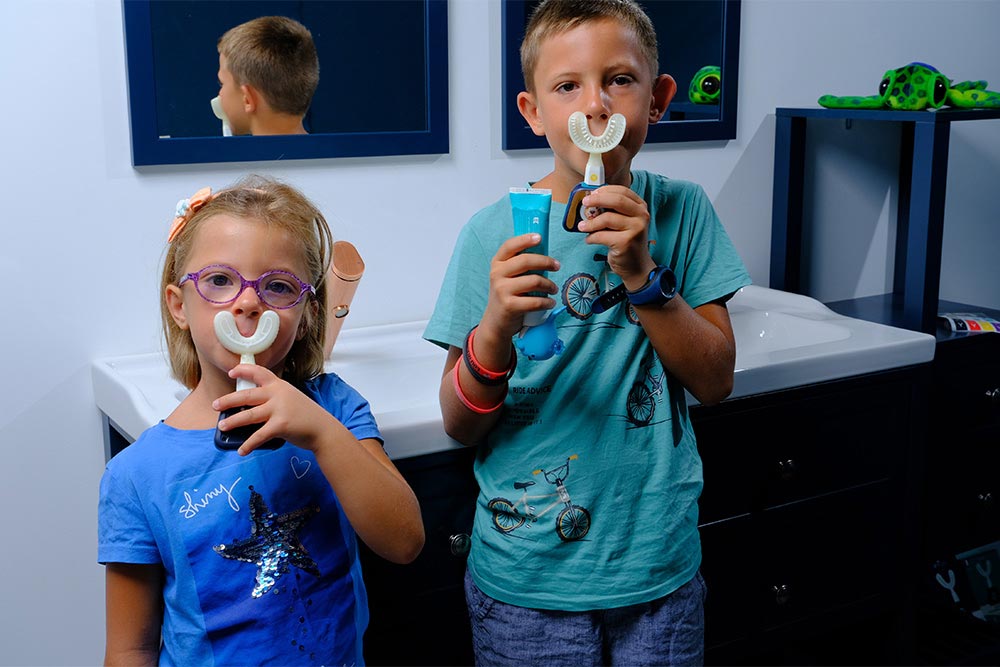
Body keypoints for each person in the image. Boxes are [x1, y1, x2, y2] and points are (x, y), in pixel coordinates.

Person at [423, 0, 751, 664]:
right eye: (567, 85)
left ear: (657, 99)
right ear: (532, 111)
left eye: (619, 80)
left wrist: (642, 274)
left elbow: (715, 379)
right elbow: (460, 423)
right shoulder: (494, 233)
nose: (596, 105)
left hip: (658, 570)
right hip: (526, 582)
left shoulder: (682, 212)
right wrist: (493, 329)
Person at [99, 175, 424, 666]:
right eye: (219, 281)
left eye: (277, 286)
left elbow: (404, 542)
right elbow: (130, 648)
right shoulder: (137, 474)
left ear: (308, 313)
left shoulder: (334, 408)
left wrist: (320, 432)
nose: (248, 301)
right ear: (178, 305)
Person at [216, 16, 319, 136]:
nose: (220, 94)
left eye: (222, 83)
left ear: (247, 99)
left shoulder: (227, 154)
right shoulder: (335, 153)